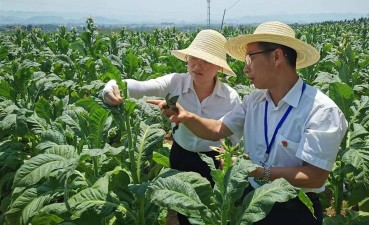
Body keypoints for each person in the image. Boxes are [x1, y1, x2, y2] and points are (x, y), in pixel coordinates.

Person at [149, 21, 348, 225]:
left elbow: (315, 176)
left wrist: (257, 171)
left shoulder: (321, 110)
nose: (245, 68)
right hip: (253, 203)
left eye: (250, 58)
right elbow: (218, 129)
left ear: (277, 56)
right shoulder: (254, 100)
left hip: (294, 210)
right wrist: (186, 117)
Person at [102, 29, 241, 225]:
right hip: (181, 155)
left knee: (208, 216)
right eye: (193, 58)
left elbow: (233, 137)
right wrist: (111, 88)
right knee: (180, 210)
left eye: (206, 61)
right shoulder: (176, 82)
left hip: (212, 163)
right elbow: (141, 87)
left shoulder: (230, 97)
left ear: (219, 66)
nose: (197, 65)